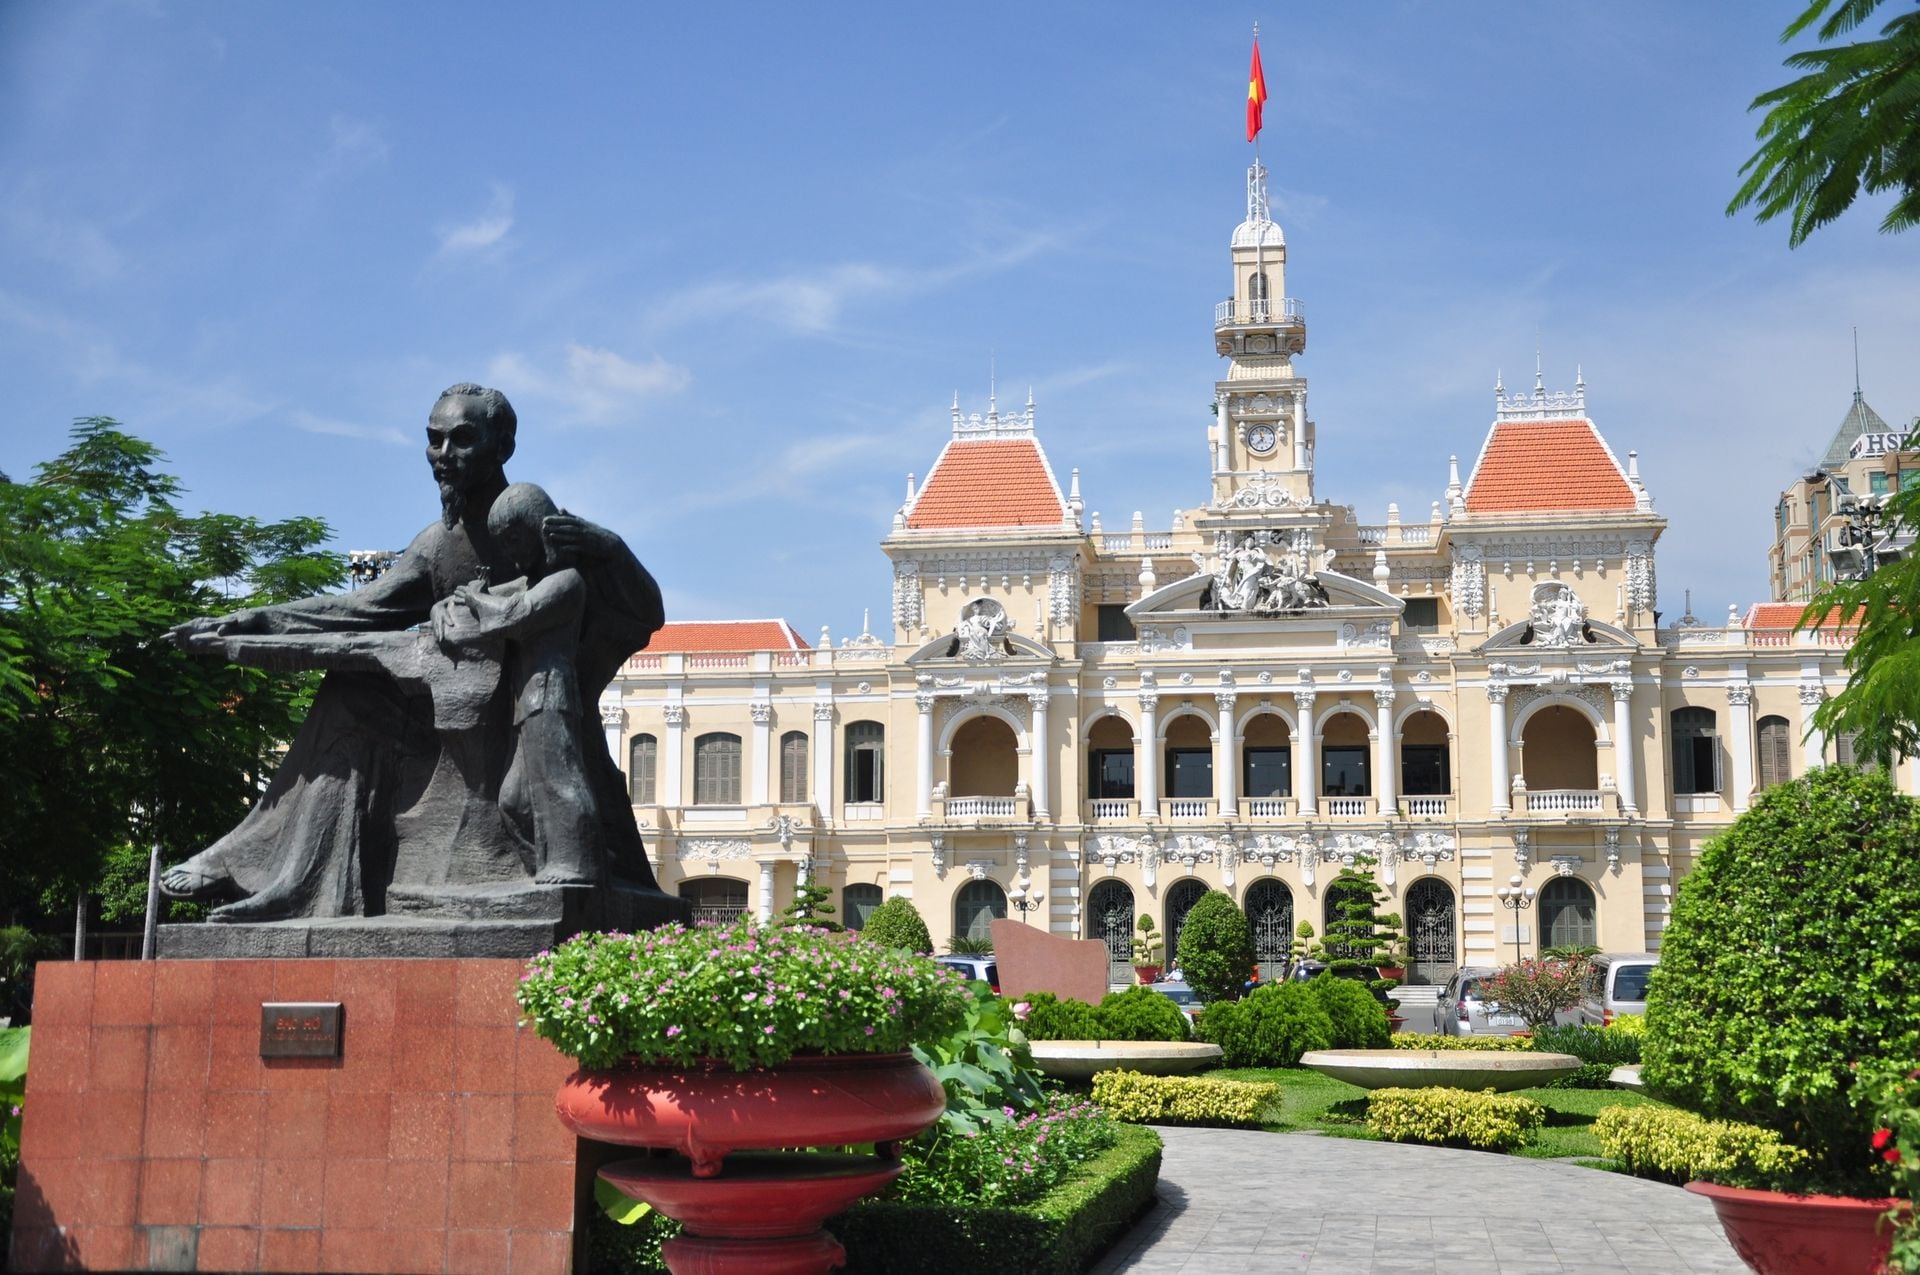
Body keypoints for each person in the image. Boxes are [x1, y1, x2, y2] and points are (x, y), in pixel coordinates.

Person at [164, 383, 666, 920]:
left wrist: (609, 550)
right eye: (434, 442)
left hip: (529, 720)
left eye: (462, 441)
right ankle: (286, 878)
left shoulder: (536, 524)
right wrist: (258, 619)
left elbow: (642, 611)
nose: (443, 457)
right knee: (349, 694)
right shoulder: (436, 543)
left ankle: (552, 870)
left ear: (503, 446)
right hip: (447, 721)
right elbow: (360, 608)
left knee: (527, 794)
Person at [446, 482, 596, 885]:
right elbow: (488, 599)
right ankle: (546, 865)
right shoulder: (530, 581)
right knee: (514, 800)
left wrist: (476, 599)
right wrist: (452, 601)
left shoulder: (566, 581)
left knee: (558, 780)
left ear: (536, 532)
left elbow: (514, 616)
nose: (510, 553)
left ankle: (576, 864)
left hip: (551, 692)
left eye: (514, 540)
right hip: (528, 698)